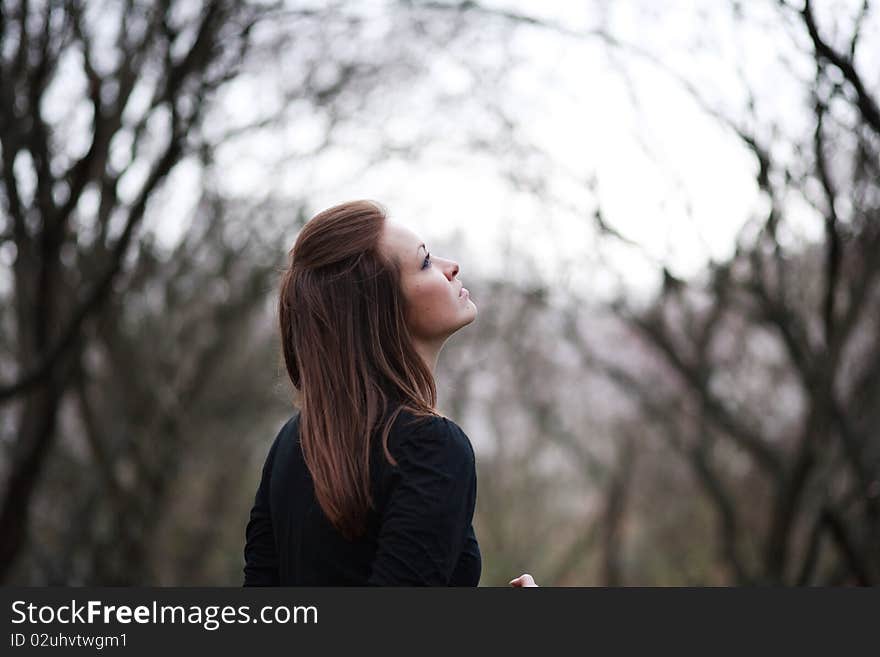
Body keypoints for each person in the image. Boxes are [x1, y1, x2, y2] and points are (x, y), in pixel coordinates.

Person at [243, 199, 539, 586]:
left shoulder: (293, 440)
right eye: (426, 262)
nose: (452, 267)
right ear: (382, 309)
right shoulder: (430, 447)